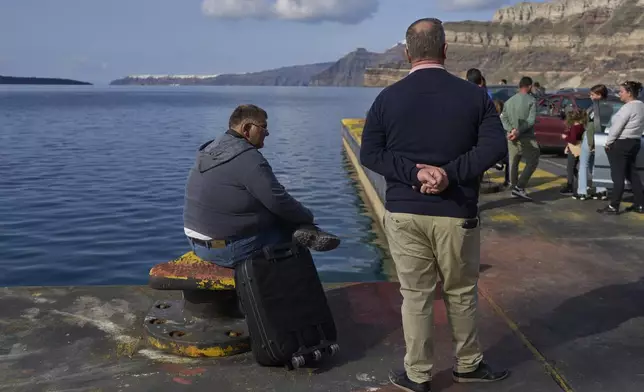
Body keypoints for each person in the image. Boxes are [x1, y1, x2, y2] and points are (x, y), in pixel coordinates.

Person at [360, 17, 509, 392]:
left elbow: (371, 154)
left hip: (404, 213)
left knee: (416, 295)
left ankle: (418, 375)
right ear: (445, 51)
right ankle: (468, 365)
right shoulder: (475, 97)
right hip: (456, 212)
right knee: (460, 293)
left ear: (408, 54)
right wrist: (448, 174)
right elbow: (493, 147)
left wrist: (414, 174)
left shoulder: (386, 99)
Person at [183, 104, 340, 268]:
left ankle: (304, 231)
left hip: (197, 243)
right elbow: (279, 201)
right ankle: (296, 291)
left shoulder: (210, 149)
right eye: (263, 127)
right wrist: (308, 216)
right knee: (293, 239)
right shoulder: (248, 158)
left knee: (280, 218)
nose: (267, 132)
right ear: (247, 128)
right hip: (227, 249)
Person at [597, 81, 644, 215]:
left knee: (618, 176)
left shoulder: (627, 108)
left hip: (621, 143)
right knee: (632, 174)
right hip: (634, 142)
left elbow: (616, 127)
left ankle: (614, 206)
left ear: (629, 93)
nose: (619, 94)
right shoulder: (641, 106)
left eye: (621, 91)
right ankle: (640, 204)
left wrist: (608, 142)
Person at [501, 76, 540, 200]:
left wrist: (510, 130)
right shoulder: (531, 101)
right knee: (533, 160)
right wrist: (518, 131)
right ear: (529, 86)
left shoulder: (509, 101)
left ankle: (514, 188)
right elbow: (530, 121)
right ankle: (520, 186)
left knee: (514, 163)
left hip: (511, 137)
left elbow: (503, 118)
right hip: (526, 137)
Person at [574, 84, 611, 200]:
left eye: (592, 94)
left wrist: (591, 143)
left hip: (591, 138)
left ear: (599, 95)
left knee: (583, 165)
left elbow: (592, 126)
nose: (590, 97)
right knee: (598, 165)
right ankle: (601, 190)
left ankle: (582, 191)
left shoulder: (595, 107)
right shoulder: (609, 107)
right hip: (603, 138)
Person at [559, 109, 586, 195]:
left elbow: (573, 140)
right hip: (579, 147)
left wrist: (565, 137)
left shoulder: (574, 127)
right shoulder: (581, 125)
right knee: (573, 167)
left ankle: (569, 186)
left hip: (573, 149)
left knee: (570, 168)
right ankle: (582, 181)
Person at [494, 99, 511, 186]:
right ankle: (508, 180)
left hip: (497, 143)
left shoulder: (493, 117)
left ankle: (499, 162)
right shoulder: (503, 117)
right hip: (500, 143)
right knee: (509, 161)